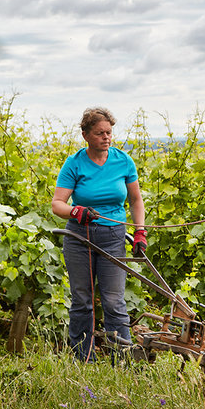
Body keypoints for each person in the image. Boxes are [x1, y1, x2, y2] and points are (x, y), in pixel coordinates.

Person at [51, 107, 148, 362]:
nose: (106, 137)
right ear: (85, 135)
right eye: (99, 133)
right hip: (80, 237)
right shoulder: (74, 163)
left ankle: (123, 359)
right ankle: (83, 358)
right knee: (82, 300)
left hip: (113, 236)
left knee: (114, 300)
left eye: (109, 132)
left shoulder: (123, 161)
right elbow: (57, 204)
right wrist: (76, 211)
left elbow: (136, 200)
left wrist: (140, 231)